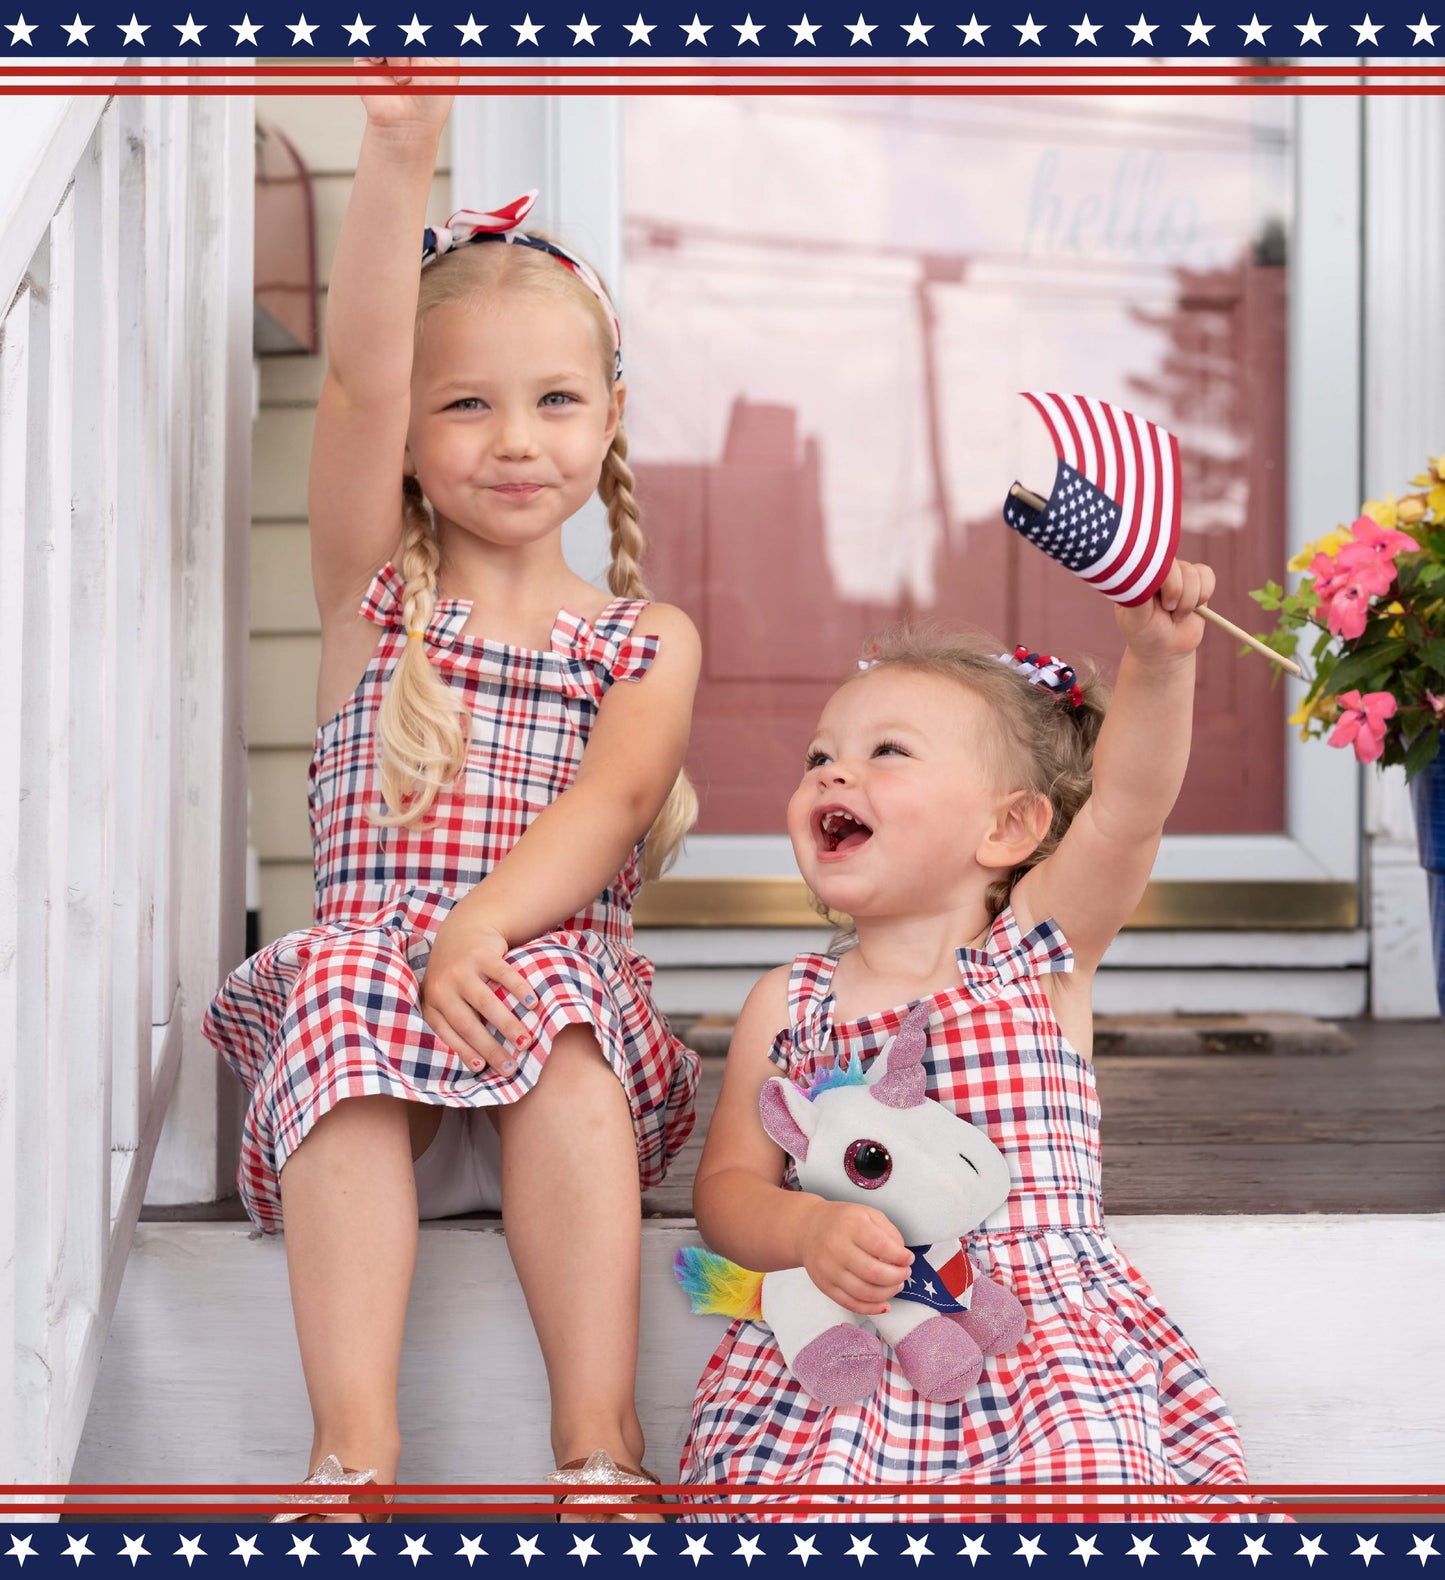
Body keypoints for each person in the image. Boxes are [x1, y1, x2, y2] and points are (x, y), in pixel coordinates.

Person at [205, 60, 700, 1523]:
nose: (514, 438)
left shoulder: (641, 638)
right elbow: (357, 373)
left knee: (558, 1005)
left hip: (550, 1063)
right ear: (415, 438)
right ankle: (351, 1457)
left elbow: (610, 804)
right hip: (372, 1096)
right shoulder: (374, 599)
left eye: (554, 400)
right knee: (347, 974)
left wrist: (481, 927)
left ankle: (597, 1444)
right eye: (465, 405)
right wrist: (401, 145)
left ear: (610, 415)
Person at [681, 561, 1259, 1521]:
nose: (832, 772)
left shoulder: (1035, 955)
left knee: (1083, 1493)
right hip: (852, 1349)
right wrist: (803, 1231)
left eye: (887, 752)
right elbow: (728, 1190)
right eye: (819, 756)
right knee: (802, 1507)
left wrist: (1159, 665)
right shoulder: (790, 1002)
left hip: (1039, 1350)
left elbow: (1127, 810)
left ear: (1008, 826)